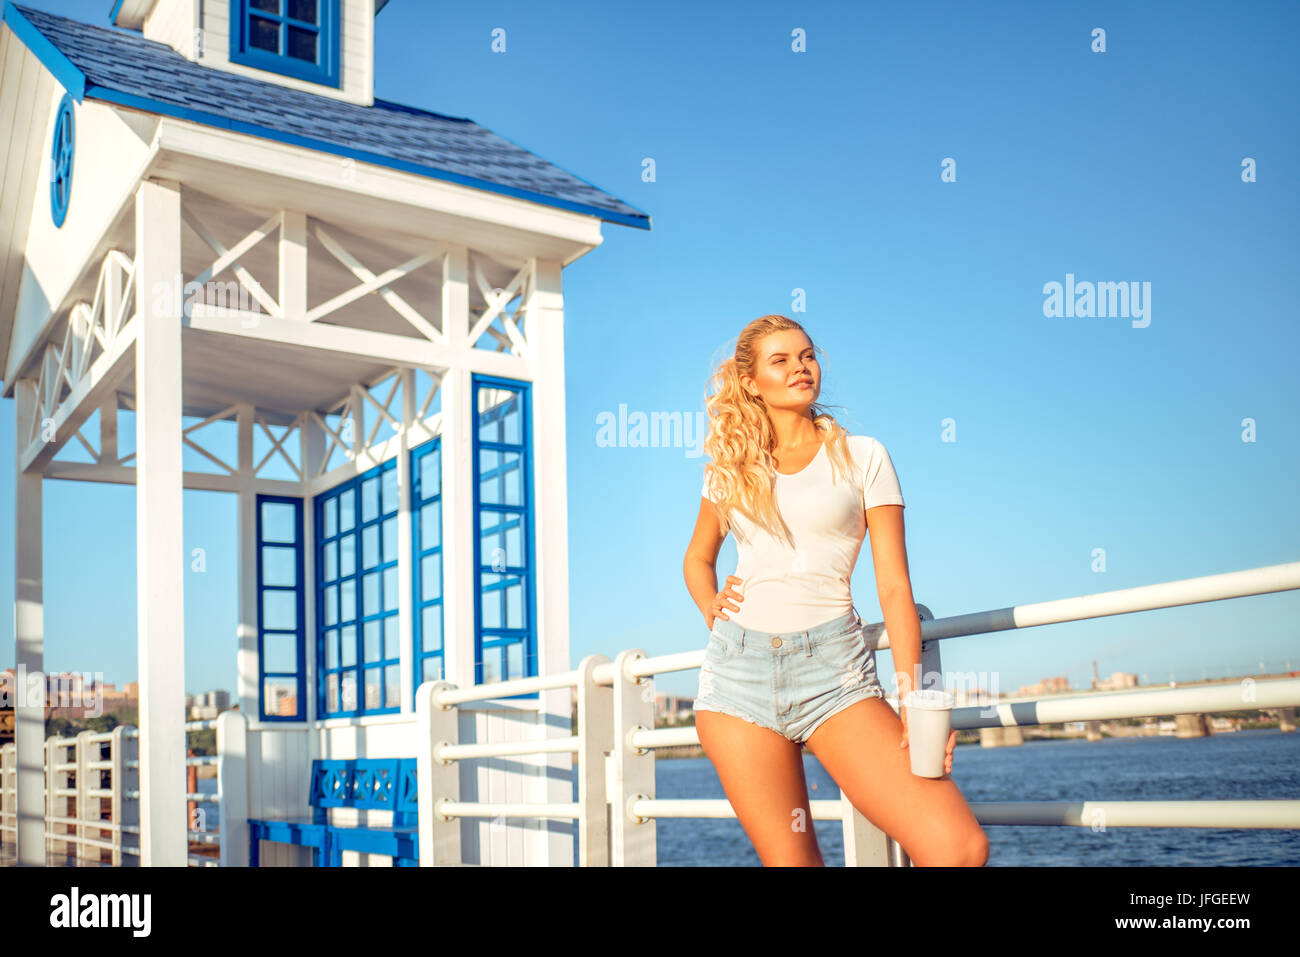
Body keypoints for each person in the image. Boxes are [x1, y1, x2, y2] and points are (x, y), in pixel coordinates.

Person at [683, 314, 989, 867]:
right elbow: (697, 558)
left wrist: (914, 697)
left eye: (807, 355)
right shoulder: (731, 467)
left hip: (835, 676)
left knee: (957, 848)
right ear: (751, 382)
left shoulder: (864, 457)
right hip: (736, 680)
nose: (801, 367)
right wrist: (710, 603)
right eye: (781, 360)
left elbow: (895, 586)